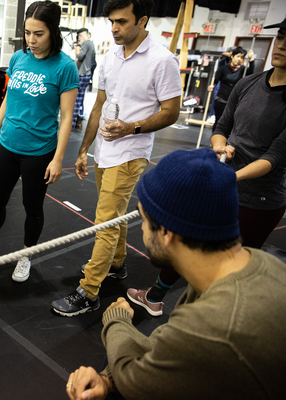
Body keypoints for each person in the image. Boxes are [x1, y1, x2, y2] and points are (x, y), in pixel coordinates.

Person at [65, 148, 286, 400]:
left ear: (167, 232)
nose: (144, 232)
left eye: (145, 220)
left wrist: (116, 320)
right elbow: (168, 346)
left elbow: (134, 382)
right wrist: (107, 379)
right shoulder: (250, 265)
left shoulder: (215, 323)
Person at [127, 18, 286, 317]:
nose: (283, 44)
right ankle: (156, 297)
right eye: (281, 36)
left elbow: (276, 156)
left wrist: (226, 177)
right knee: (189, 242)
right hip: (225, 182)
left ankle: (204, 325)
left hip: (260, 199)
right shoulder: (249, 83)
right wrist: (218, 146)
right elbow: (223, 124)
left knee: (227, 274)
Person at [51, 0, 181, 317]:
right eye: (111, 21)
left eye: (121, 21)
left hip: (131, 153)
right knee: (116, 215)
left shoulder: (162, 60)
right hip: (104, 151)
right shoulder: (111, 56)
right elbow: (99, 106)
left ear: (143, 20)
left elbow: (171, 112)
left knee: (105, 222)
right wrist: (84, 149)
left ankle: (89, 291)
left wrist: (131, 128)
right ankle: (117, 264)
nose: (114, 28)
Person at [0, 1, 78, 282]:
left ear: (53, 32)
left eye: (39, 33)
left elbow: (66, 117)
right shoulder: (19, 58)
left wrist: (58, 159)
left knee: (33, 207)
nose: (31, 40)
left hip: (39, 151)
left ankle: (25, 255)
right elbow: (8, 99)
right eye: (28, 32)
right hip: (8, 143)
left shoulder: (65, 67)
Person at [208, 46, 255, 131]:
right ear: (232, 56)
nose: (239, 59)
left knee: (231, 124)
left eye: (242, 57)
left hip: (235, 102)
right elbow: (214, 81)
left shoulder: (243, 70)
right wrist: (212, 86)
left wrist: (251, 60)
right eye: (238, 56)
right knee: (219, 121)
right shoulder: (223, 69)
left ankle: (226, 142)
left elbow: (251, 74)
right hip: (221, 99)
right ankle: (215, 142)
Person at [73, 28, 96, 129]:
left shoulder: (86, 43)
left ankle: (73, 122)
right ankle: (79, 118)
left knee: (76, 98)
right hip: (86, 74)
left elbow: (80, 56)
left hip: (82, 74)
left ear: (81, 35)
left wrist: (77, 50)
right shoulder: (91, 44)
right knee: (80, 98)